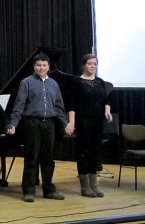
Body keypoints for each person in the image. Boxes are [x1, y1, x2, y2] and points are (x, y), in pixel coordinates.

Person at [8, 53, 72, 203]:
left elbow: (59, 107)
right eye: (38, 65)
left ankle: (49, 190)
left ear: (49, 67)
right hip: (32, 124)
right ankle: (29, 191)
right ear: (34, 67)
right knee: (31, 158)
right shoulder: (26, 83)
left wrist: (65, 124)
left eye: (44, 65)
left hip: (50, 124)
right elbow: (19, 106)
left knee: (48, 158)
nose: (41, 68)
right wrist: (13, 124)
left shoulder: (54, 84)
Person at [67, 54, 112, 198]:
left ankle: (94, 186)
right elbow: (72, 104)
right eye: (90, 63)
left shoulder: (100, 82)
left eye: (95, 64)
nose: (93, 66)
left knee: (95, 152)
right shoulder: (76, 81)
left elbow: (106, 100)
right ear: (84, 65)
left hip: (98, 121)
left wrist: (107, 110)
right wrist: (72, 122)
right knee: (83, 152)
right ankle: (84, 187)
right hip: (83, 121)